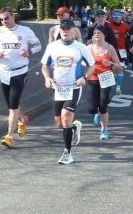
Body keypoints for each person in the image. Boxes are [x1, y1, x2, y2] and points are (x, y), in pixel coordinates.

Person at [0, 7, 42, 148]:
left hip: (19, 72)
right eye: (1, 19)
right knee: (11, 104)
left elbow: (38, 45)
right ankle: (22, 120)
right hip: (4, 72)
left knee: (13, 106)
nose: (4, 21)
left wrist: (29, 52)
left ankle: (9, 136)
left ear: (13, 17)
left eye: (6, 18)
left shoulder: (25, 31)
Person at [41, 18, 94, 164]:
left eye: (68, 29)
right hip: (58, 88)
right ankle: (74, 127)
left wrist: (84, 77)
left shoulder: (80, 47)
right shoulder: (52, 46)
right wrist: (47, 78)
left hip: (73, 87)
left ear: (73, 31)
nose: (65, 32)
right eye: (63, 29)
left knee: (66, 118)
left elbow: (92, 66)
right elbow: (44, 65)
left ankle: (67, 153)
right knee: (60, 124)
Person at [87, 25, 122, 140]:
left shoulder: (109, 48)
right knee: (92, 108)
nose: (96, 35)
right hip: (93, 77)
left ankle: (104, 129)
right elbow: (81, 61)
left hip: (106, 77)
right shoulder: (89, 48)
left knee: (103, 105)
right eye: (95, 33)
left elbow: (119, 65)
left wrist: (110, 63)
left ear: (104, 35)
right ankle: (95, 113)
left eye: (99, 33)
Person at [108, 11, 129, 95]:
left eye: (118, 17)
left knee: (121, 68)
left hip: (122, 50)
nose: (116, 19)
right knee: (113, 68)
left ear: (121, 18)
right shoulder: (109, 26)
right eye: (115, 17)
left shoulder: (125, 27)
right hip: (112, 49)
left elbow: (129, 36)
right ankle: (113, 80)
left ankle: (118, 87)